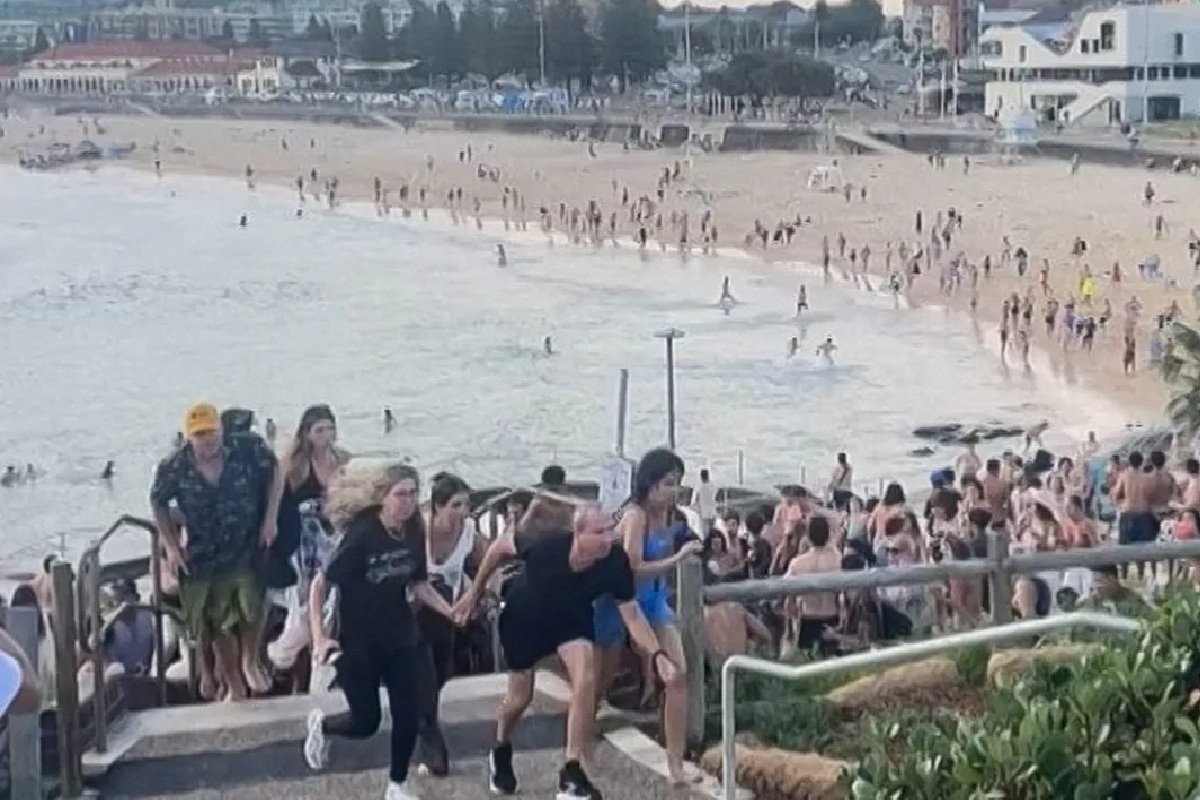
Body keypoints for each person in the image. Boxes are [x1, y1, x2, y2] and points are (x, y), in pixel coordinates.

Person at [453, 497, 683, 799]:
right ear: (579, 533)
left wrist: (658, 655)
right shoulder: (545, 545)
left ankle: (571, 773)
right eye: (599, 532)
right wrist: (473, 594)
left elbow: (632, 614)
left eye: (610, 530)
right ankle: (500, 746)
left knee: (586, 677)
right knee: (519, 700)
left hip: (572, 620)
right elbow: (497, 549)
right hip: (526, 620)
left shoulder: (615, 562)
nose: (608, 539)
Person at [303, 462, 459, 800]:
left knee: (408, 712)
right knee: (366, 722)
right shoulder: (363, 534)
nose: (407, 502)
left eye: (413, 494)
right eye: (400, 495)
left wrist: (449, 611)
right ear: (382, 498)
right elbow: (320, 584)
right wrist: (319, 637)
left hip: (400, 634)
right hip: (359, 640)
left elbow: (419, 584)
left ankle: (396, 785)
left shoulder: (414, 530)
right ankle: (322, 725)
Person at [150, 402, 284, 701]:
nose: (207, 440)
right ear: (189, 438)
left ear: (221, 430)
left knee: (253, 605)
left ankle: (250, 659)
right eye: (200, 435)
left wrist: (271, 518)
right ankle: (234, 684)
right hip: (204, 552)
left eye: (212, 432)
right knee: (217, 621)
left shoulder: (247, 447)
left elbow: (275, 471)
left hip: (247, 541)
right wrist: (171, 545)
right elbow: (158, 502)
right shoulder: (174, 467)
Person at [594, 449, 701, 786]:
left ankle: (676, 763)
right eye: (668, 483)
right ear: (650, 485)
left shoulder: (669, 516)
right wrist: (677, 559)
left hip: (653, 602)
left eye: (677, 483)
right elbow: (633, 569)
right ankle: (580, 740)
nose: (674, 490)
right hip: (620, 600)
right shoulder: (635, 516)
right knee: (600, 679)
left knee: (677, 675)